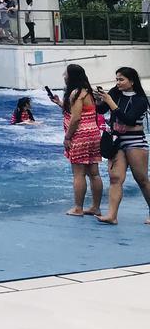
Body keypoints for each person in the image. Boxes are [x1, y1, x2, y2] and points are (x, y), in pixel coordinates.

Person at [95, 66, 150, 225]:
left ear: (131, 81)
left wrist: (110, 101)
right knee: (115, 178)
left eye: (121, 79)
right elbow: (101, 110)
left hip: (135, 141)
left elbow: (129, 120)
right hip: (116, 140)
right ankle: (112, 215)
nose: (117, 82)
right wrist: (100, 100)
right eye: (116, 79)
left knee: (142, 179)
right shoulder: (114, 93)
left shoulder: (140, 100)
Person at [60, 63, 103, 217]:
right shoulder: (88, 92)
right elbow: (82, 112)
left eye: (66, 74)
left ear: (71, 77)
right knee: (94, 173)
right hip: (93, 134)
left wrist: (67, 137)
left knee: (78, 173)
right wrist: (60, 104)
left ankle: (78, 208)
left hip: (80, 136)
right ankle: (96, 207)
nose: (64, 77)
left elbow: (76, 118)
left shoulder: (76, 93)